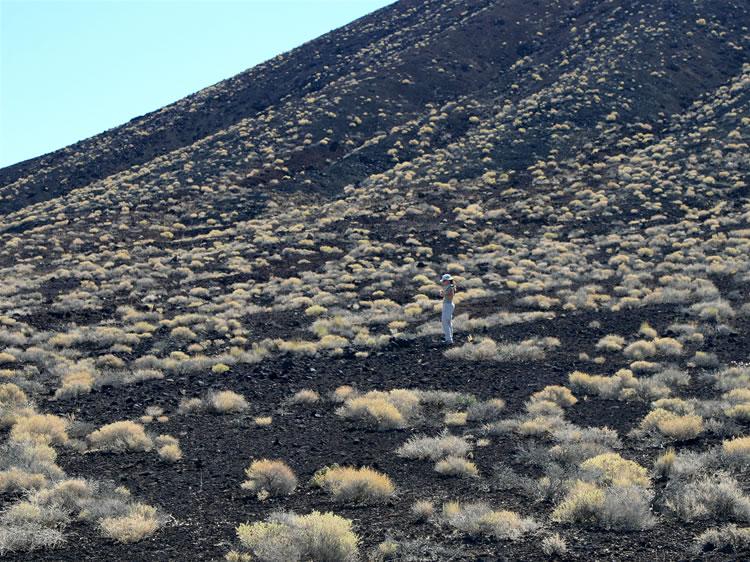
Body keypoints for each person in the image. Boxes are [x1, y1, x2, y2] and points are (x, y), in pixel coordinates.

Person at [439, 274, 455, 345]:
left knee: (445, 322)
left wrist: (443, 295)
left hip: (448, 305)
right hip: (448, 305)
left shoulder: (450, 287)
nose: (444, 282)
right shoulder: (449, 287)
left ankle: (448, 340)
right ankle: (449, 339)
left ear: (448, 280)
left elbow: (451, 296)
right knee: (448, 322)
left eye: (444, 281)